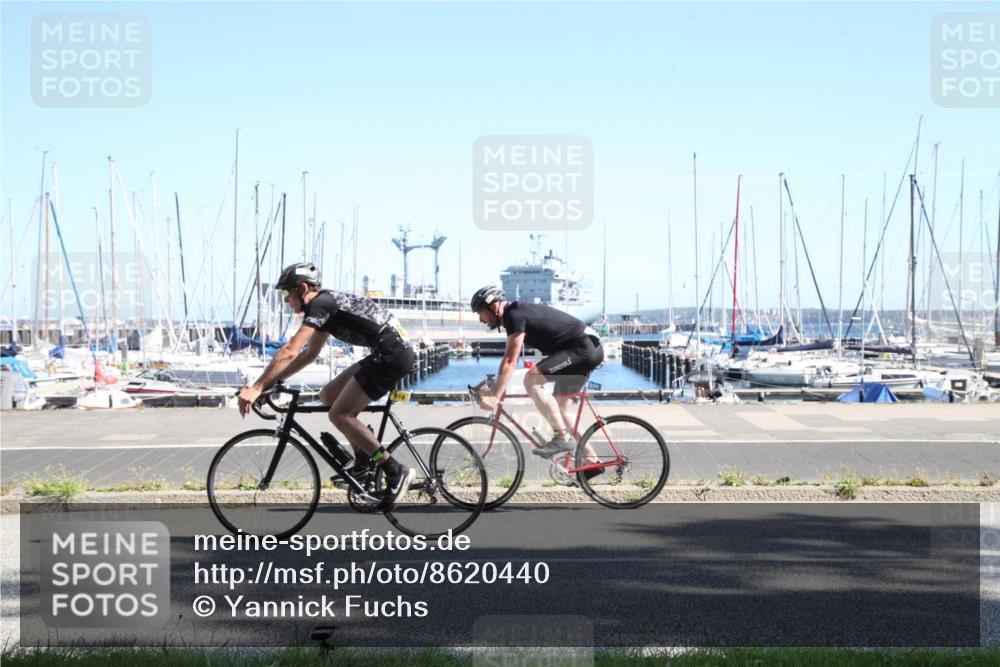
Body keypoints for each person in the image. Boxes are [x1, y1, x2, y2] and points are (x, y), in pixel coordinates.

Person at [237, 263, 416, 507]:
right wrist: (273, 382)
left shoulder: (321, 304)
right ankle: (364, 455)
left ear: (302, 289)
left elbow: (290, 350)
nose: (286, 301)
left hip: (391, 354)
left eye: (286, 293)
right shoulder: (324, 309)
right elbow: (308, 355)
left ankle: (395, 470)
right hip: (388, 351)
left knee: (339, 415)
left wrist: (257, 387)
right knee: (329, 394)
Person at [471, 285, 604, 465]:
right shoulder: (516, 313)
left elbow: (511, 361)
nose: (481, 320)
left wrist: (495, 396)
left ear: (493, 307)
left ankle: (562, 439)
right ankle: (592, 461)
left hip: (583, 349)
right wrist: (496, 386)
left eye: (480, 313)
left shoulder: (513, 315)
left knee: (532, 379)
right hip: (587, 348)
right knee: (560, 411)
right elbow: (508, 361)